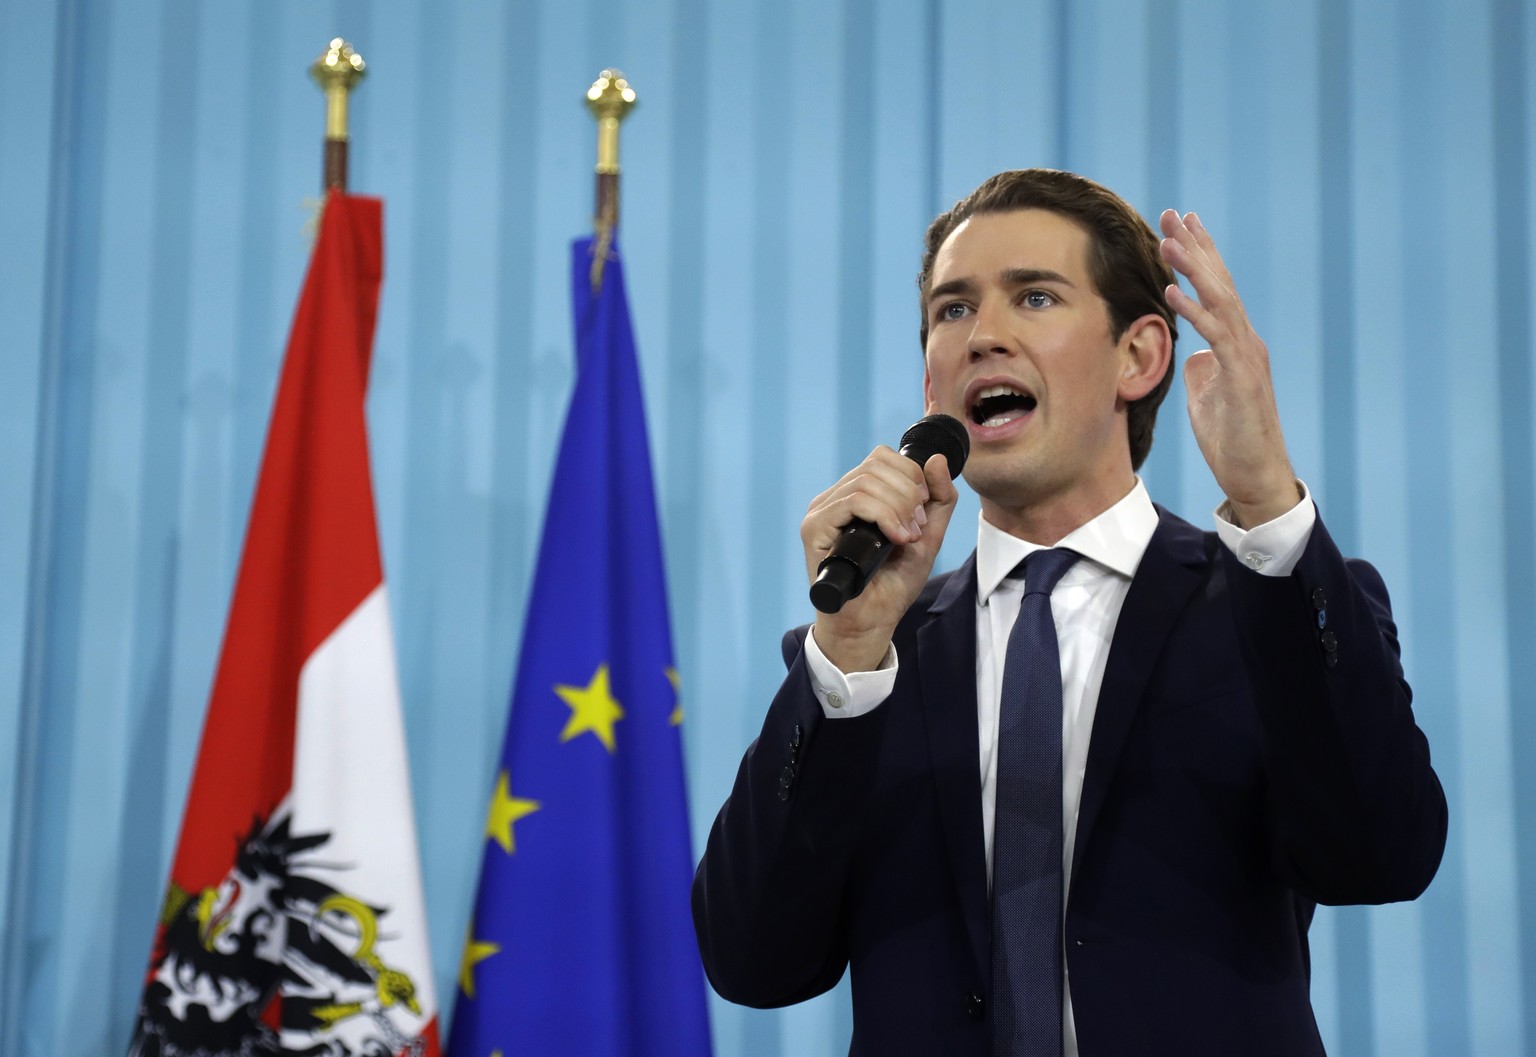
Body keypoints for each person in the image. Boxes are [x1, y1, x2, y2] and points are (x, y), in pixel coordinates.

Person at [690, 169, 1447, 1057]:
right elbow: (752, 962)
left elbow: (1383, 854)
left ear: (1141, 357)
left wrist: (1269, 506)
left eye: (1035, 297)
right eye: (952, 310)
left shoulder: (1273, 605)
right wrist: (846, 652)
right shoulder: (869, 659)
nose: (983, 337)